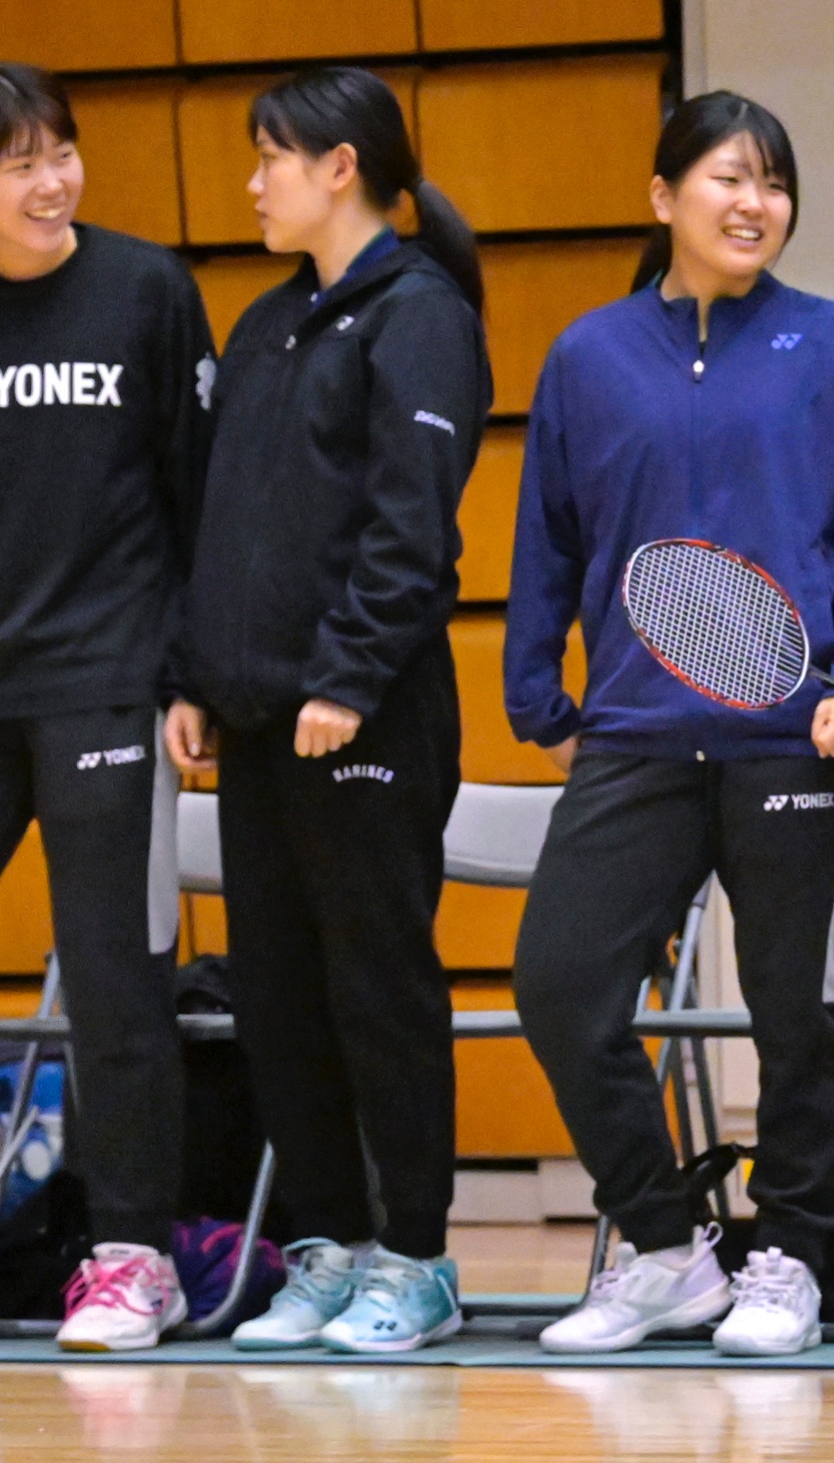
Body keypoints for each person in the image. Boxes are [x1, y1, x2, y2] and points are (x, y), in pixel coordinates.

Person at [506, 91, 834, 1358]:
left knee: (799, 1013)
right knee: (560, 985)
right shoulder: (587, 356)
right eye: (729, 177)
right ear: (663, 195)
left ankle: (793, 1250)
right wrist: (539, 699)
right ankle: (665, 1245)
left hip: (797, 737)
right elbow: (547, 536)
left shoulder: (832, 343)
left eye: (773, 182)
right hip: (635, 736)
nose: (755, 203)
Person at [170, 66, 491, 1355]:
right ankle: (327, 1247)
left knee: (378, 988)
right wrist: (195, 676)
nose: (254, 183)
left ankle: (415, 1257)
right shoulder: (265, 324)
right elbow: (221, 523)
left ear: (340, 165)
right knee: (278, 997)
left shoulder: (419, 316)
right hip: (258, 725)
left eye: (271, 158)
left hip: (368, 717)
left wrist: (348, 675)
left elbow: (412, 528)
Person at [0, 64, 215, 1353]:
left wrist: (189, 676)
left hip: (107, 686)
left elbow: (201, 498)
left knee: (117, 982)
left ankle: (132, 1257)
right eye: (19, 160)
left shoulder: (146, 291)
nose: (53, 180)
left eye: (61, 152)